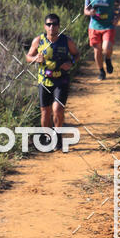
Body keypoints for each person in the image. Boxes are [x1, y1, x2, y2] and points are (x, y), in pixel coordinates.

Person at [25, 13, 79, 144]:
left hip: (61, 80)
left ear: (59, 26)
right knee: (45, 112)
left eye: (54, 24)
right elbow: (28, 57)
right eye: (49, 24)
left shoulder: (66, 41)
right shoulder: (39, 40)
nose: (51, 27)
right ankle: (49, 137)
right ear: (45, 26)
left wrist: (70, 63)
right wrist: (35, 59)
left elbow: (76, 54)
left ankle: (58, 135)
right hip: (44, 80)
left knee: (58, 109)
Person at [84, 0, 120, 80]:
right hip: (94, 26)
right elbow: (85, 10)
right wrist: (90, 12)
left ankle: (108, 58)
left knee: (106, 48)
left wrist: (117, 17)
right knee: (97, 50)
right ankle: (101, 71)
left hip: (108, 25)